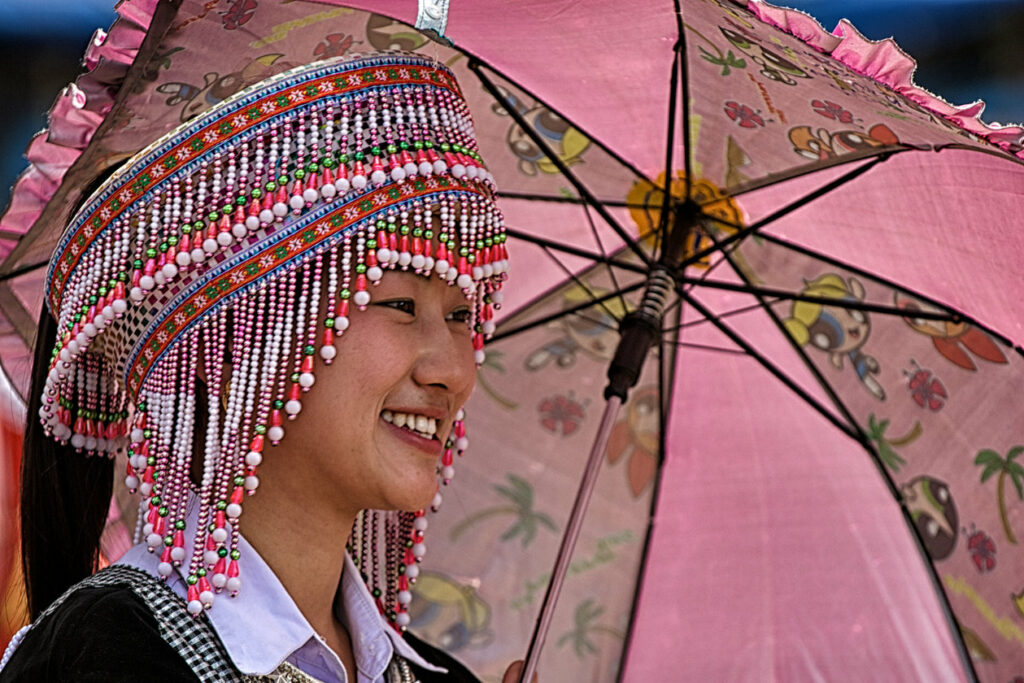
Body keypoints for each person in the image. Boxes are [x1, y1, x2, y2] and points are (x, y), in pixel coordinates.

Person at [0, 50, 525, 683]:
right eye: (401, 304)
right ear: (231, 346)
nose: (454, 371)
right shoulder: (106, 655)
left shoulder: (431, 675)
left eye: (462, 315)